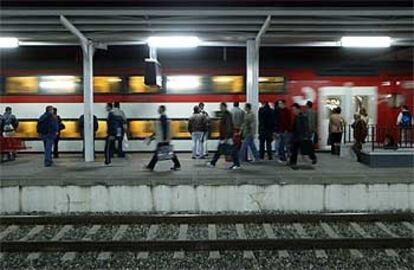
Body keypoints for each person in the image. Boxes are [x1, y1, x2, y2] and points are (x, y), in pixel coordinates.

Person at [146, 105, 181, 171]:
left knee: (159, 152)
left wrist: (164, 138)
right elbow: (159, 129)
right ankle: (177, 164)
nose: (158, 110)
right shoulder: (162, 117)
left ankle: (150, 166)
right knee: (167, 151)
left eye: (159, 108)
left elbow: (164, 128)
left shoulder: (163, 117)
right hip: (163, 139)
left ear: (162, 109)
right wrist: (152, 136)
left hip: (163, 139)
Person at [207, 102, 240, 170]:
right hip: (226, 136)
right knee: (221, 150)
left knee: (230, 150)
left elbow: (228, 126)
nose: (220, 108)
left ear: (224, 107)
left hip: (226, 136)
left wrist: (226, 137)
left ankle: (236, 164)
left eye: (221, 107)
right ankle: (213, 162)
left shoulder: (226, 115)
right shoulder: (226, 114)